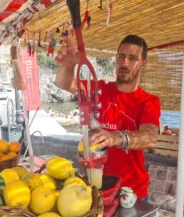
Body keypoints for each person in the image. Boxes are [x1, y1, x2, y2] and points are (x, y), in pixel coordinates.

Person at [55, 35, 161, 200]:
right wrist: (68, 64)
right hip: (97, 187)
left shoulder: (148, 101)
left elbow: (150, 138)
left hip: (131, 192)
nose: (125, 63)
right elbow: (64, 83)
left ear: (143, 63)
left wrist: (115, 137)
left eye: (133, 58)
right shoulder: (100, 89)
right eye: (121, 57)